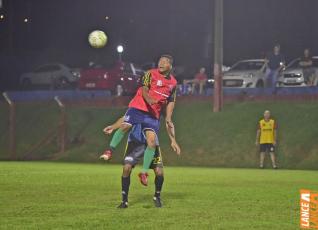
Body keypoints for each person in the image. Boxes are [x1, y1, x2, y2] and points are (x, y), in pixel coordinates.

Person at [100, 55, 178, 186]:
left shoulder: (173, 83)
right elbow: (144, 90)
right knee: (125, 126)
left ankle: (144, 173)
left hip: (153, 114)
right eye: (160, 61)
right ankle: (109, 150)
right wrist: (113, 127)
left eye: (164, 62)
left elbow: (171, 100)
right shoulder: (150, 74)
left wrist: (169, 120)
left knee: (152, 142)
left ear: (170, 65)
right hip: (139, 106)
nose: (161, 63)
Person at [103, 116, 181, 208]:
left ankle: (157, 196)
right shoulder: (138, 107)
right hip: (135, 143)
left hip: (151, 143)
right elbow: (125, 118)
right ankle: (124, 201)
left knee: (159, 172)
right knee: (126, 168)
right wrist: (112, 127)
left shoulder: (158, 107)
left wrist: (173, 140)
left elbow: (169, 121)